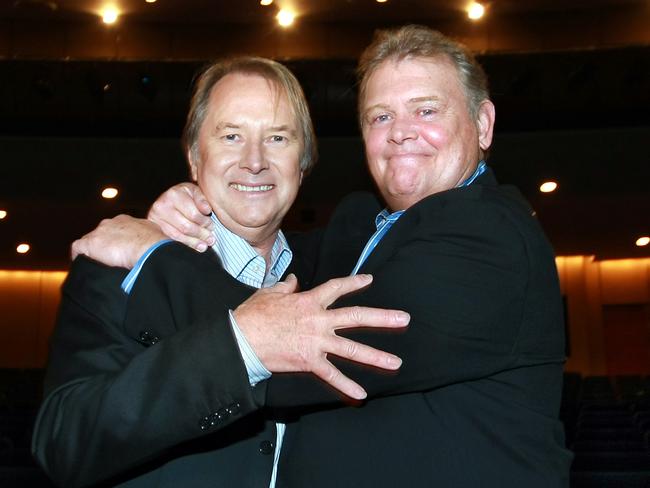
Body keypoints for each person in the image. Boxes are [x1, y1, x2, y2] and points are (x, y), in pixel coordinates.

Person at [65, 25, 574, 486]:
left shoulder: (491, 238)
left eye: (426, 109)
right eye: (380, 115)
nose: (400, 131)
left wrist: (154, 257)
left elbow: (304, 352)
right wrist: (188, 207)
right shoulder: (354, 233)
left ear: (483, 124)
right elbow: (260, 243)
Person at [31, 56, 409, 488]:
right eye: (231, 136)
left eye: (278, 138)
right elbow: (64, 440)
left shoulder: (331, 274)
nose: (254, 161)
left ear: (303, 163)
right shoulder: (122, 265)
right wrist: (240, 346)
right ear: (194, 158)